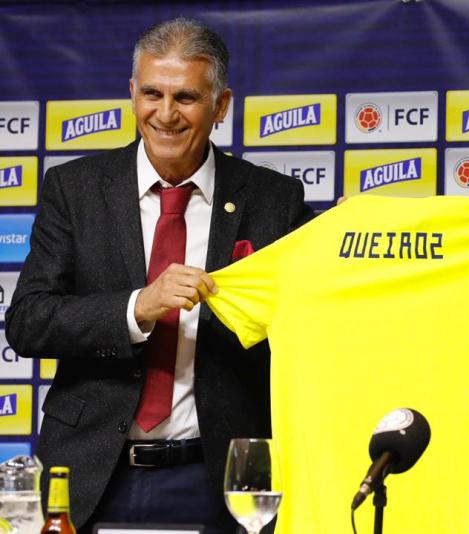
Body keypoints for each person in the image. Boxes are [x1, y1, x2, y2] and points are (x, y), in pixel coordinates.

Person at [6, 18, 313, 533]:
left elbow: (316, 307)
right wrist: (136, 308)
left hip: (220, 479)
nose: (165, 114)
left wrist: (348, 235)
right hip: (89, 476)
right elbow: (29, 321)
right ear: (132, 93)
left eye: (186, 97)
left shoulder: (273, 200)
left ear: (221, 105)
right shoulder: (74, 189)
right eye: (152, 93)